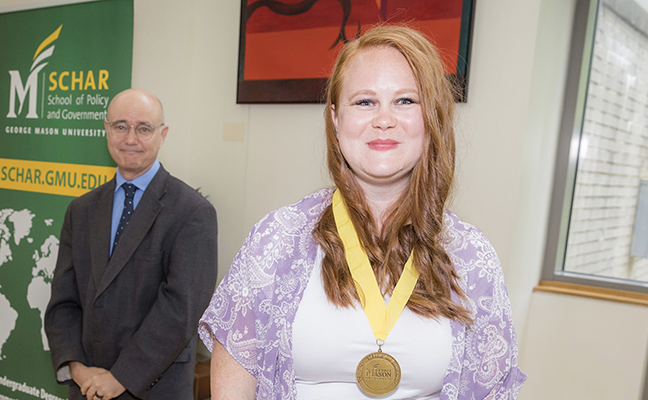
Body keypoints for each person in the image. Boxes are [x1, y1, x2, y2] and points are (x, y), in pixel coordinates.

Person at [200, 25, 526, 400]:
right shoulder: (275, 241)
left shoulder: (472, 258)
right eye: (364, 102)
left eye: (405, 101)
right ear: (336, 119)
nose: (383, 119)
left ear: (431, 117)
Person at [45, 88, 218, 400]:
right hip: (86, 386)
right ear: (106, 129)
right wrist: (77, 367)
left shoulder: (192, 212)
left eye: (144, 128)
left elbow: (181, 310)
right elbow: (63, 301)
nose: (130, 139)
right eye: (121, 126)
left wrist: (121, 377)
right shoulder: (81, 210)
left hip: (153, 387)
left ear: (162, 135)